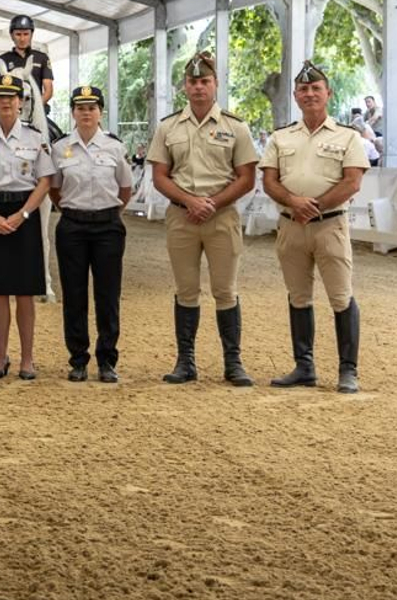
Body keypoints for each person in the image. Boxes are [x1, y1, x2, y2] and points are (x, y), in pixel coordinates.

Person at [145, 51, 258, 386]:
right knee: (186, 290)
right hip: (182, 218)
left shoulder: (235, 127)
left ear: (216, 84)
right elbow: (160, 176)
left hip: (222, 218)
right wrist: (190, 202)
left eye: (204, 81)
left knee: (225, 290)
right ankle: (185, 361)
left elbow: (246, 177)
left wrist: (210, 203)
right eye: (193, 82)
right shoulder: (168, 127)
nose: (198, 88)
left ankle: (233, 363)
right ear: (185, 86)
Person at [260, 61, 369, 393]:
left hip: (330, 226)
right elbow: (269, 181)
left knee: (341, 296)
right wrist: (294, 202)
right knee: (298, 296)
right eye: (303, 90)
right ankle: (304, 367)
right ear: (295, 96)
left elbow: (353, 182)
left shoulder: (348, 137)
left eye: (315, 88)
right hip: (291, 226)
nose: (309, 94)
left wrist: (315, 205)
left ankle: (347, 370)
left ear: (328, 94)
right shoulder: (280, 137)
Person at [0, 74, 56, 380]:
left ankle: (27, 359)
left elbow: (45, 181)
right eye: (0, 96)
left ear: (21, 102)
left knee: (25, 292)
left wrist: (24, 214)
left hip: (24, 213)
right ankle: (0, 356)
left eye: (12, 97)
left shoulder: (35, 138)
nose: (6, 102)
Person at [49, 86, 133, 383]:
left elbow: (125, 188)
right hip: (72, 226)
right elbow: (55, 189)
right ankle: (78, 360)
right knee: (74, 295)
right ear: (72, 112)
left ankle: (107, 360)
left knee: (108, 295)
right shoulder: (60, 148)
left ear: (100, 112)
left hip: (108, 227)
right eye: (80, 107)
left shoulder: (113, 146)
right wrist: (76, 211)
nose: (86, 113)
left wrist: (108, 213)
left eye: (92, 107)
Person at [0, 14, 55, 110]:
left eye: (26, 34)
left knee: (52, 126)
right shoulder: (2, 60)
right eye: (18, 34)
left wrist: (34, 109)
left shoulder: (42, 58)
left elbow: (48, 91)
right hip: (11, 110)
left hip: (38, 110)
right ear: (11, 35)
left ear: (31, 34)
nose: (22, 39)